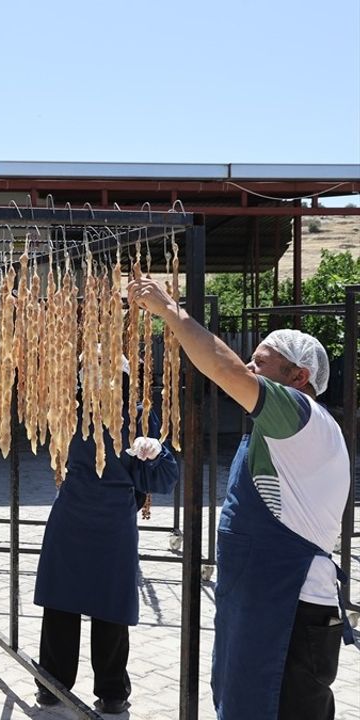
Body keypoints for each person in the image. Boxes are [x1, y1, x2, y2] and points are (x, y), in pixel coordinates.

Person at [130, 277, 355, 720]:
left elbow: (225, 369)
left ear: (299, 376)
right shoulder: (278, 432)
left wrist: (171, 312)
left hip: (291, 608)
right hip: (259, 600)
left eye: (261, 362)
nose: (250, 370)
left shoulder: (302, 415)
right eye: (251, 361)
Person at [32, 354, 179, 715]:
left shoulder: (139, 415)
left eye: (107, 366)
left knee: (111, 607)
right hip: (71, 516)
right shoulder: (70, 406)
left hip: (114, 521)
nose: (99, 374)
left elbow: (164, 479)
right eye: (92, 367)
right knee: (60, 603)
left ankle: (112, 690)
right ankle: (52, 683)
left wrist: (155, 454)